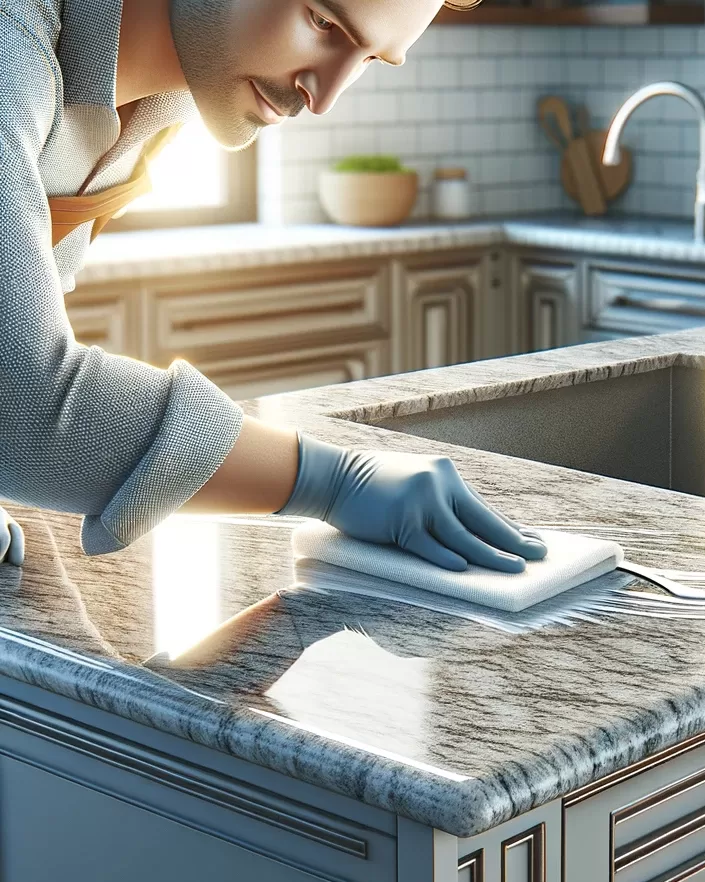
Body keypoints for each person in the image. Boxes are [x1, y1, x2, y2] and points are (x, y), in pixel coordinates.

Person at [0, 0, 547, 574]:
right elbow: (16, 391)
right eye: (323, 23)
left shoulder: (156, 102)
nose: (324, 95)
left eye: (370, 59)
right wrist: (328, 482)